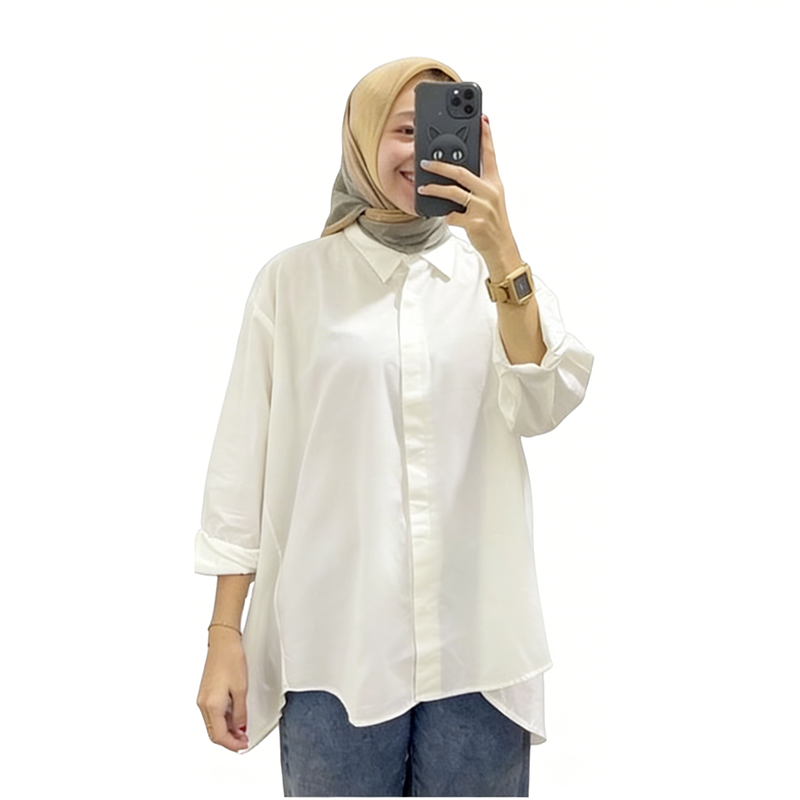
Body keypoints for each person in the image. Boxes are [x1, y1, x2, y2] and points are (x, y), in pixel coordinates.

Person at [195, 56, 593, 797]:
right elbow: (240, 467)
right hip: (333, 650)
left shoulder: (496, 279)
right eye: (405, 130)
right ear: (362, 138)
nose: (425, 150)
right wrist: (224, 635)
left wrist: (502, 249)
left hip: (480, 651)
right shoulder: (292, 282)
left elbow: (544, 402)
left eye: (444, 129)